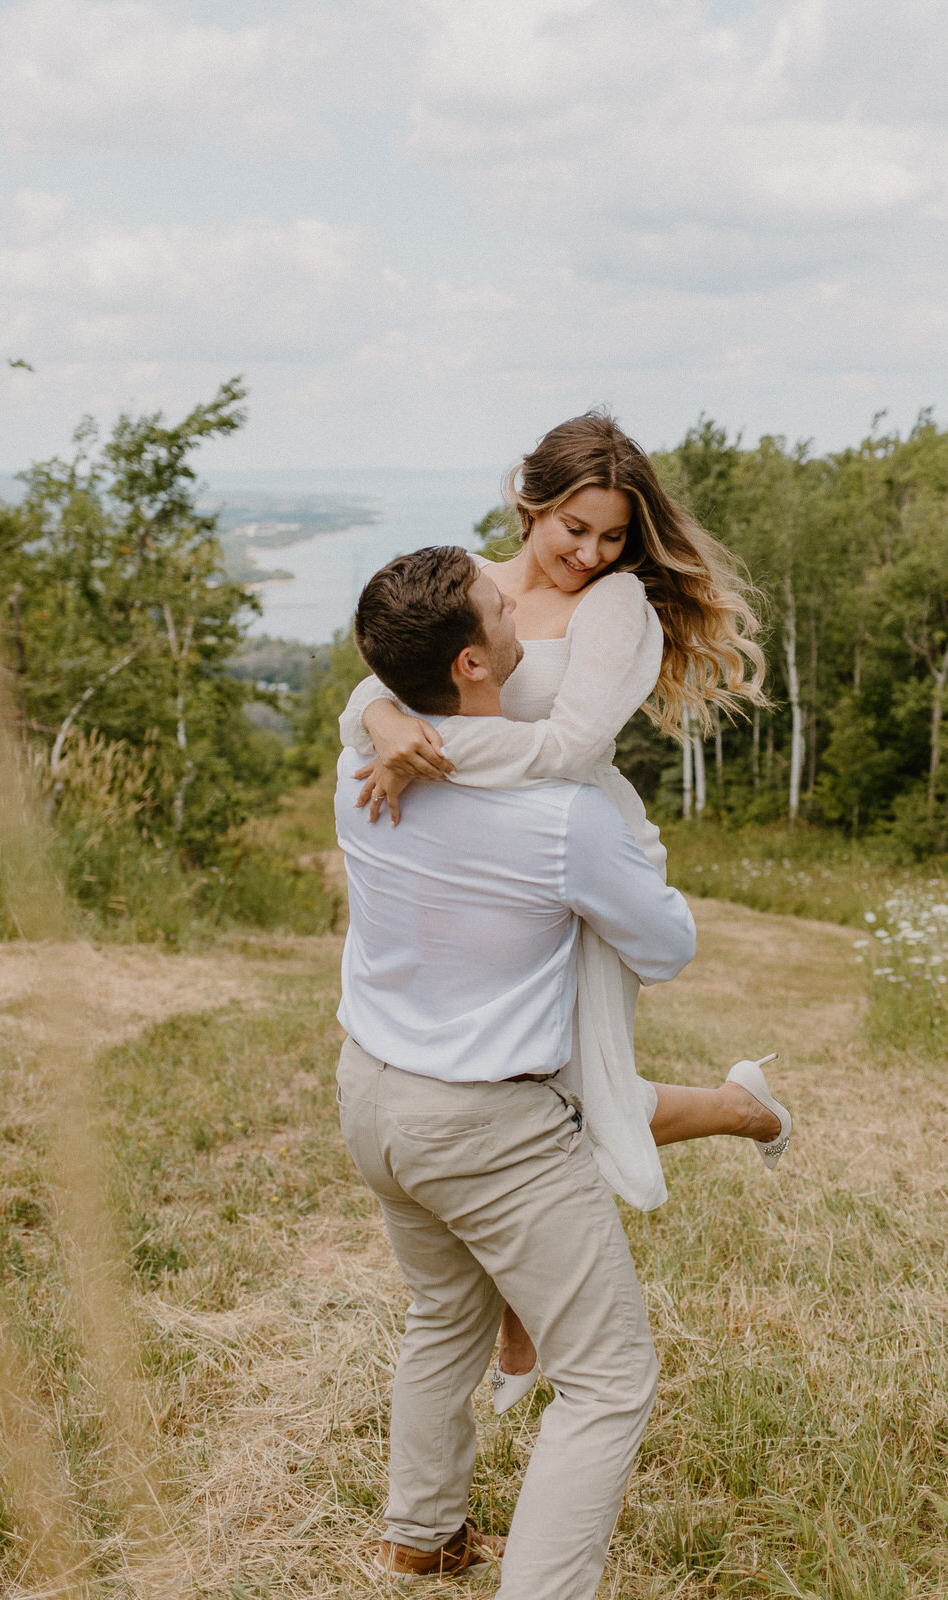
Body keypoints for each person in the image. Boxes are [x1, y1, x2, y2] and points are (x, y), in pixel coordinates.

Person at [339, 411, 791, 1405]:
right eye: (573, 528)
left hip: (579, 852)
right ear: (527, 500)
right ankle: (733, 1108)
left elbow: (566, 751)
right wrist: (380, 719)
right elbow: (381, 688)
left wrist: (427, 749)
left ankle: (517, 1341)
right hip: (473, 863)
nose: (590, 554)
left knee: (553, 1092)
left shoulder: (617, 606)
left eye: (612, 536)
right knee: (523, 1090)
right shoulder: (466, 586)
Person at [334, 544, 697, 1599]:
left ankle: (422, 1535)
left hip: (372, 1099)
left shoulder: (362, 771)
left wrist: (377, 715)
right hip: (489, 1131)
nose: (524, 612)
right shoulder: (560, 819)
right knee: (608, 1379)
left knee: (443, 1314)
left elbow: (376, 716)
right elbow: (664, 948)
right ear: (472, 665)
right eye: (503, 608)